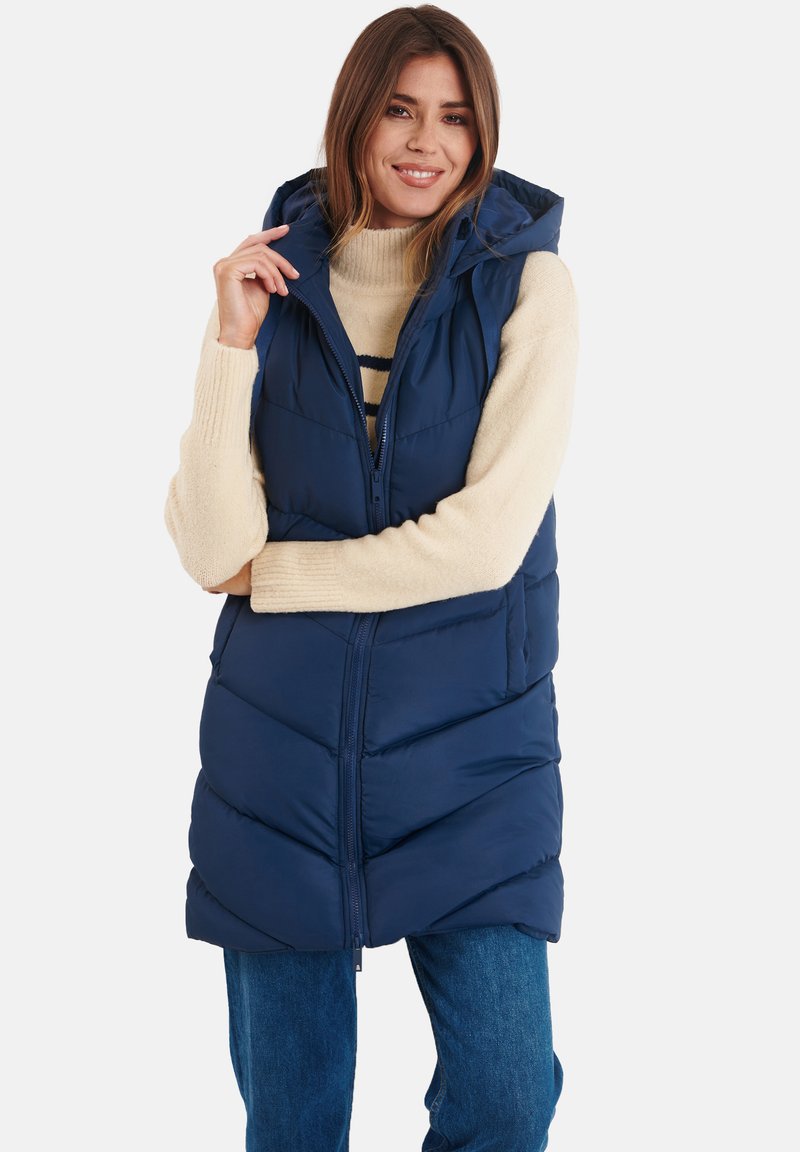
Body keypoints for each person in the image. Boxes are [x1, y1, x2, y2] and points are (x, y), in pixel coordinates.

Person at [164, 5, 579, 1149]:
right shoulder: (274, 285)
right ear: (354, 120)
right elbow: (208, 548)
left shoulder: (528, 288)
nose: (425, 142)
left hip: (472, 755)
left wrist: (279, 576)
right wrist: (229, 343)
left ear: (481, 136)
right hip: (280, 755)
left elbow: (484, 543)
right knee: (292, 1123)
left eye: (454, 117)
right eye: (399, 110)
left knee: (505, 1092)